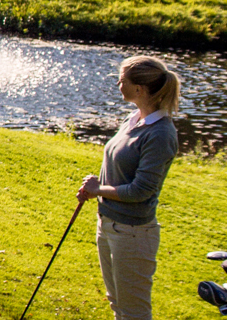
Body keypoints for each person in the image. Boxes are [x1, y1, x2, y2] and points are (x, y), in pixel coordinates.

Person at [78, 55, 181, 320]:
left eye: (122, 80)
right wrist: (94, 186)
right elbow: (116, 162)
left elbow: (140, 191)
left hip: (133, 234)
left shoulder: (160, 134)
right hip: (109, 224)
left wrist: (98, 190)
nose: (117, 84)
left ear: (139, 89)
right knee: (117, 303)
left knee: (133, 312)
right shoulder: (134, 119)